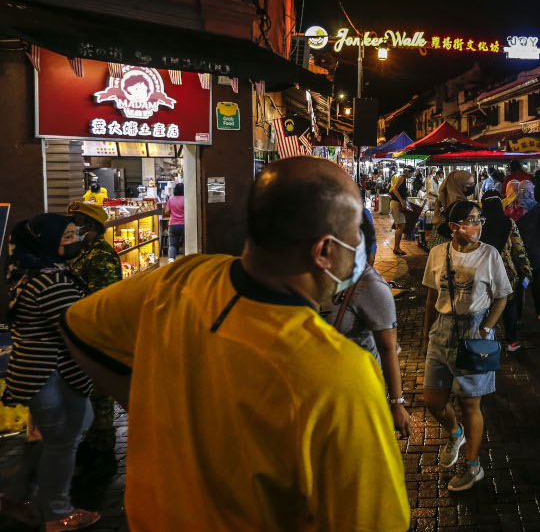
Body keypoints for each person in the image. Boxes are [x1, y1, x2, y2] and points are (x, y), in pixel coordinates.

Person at [62, 157, 409, 530]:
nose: (360, 246)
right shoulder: (341, 375)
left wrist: (151, 410)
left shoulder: (178, 280)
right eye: (356, 234)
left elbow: (77, 326)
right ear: (324, 251)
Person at [2, 214, 100, 530]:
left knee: (48, 440)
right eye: (68, 237)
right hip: (55, 374)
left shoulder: (31, 273)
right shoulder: (50, 282)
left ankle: (21, 496)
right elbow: (79, 326)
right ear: (48, 243)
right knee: (64, 443)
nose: (77, 241)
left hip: (39, 373)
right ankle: (57, 513)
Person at [422, 200, 512, 491]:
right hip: (442, 329)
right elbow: (430, 297)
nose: (478, 225)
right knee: (433, 400)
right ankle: (454, 432)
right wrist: (427, 333)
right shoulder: (437, 253)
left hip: (474, 331)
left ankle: (473, 466)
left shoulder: (490, 255)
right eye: (471, 220)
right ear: (454, 227)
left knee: (469, 403)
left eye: (479, 219)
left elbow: (501, 296)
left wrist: (485, 329)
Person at [321, 227, 411, 437]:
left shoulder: (370, 285)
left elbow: (388, 348)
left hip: (359, 391)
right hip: (321, 388)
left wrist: (397, 403)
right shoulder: (316, 277)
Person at [66, 202, 123, 484]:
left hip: (98, 337)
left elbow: (104, 300)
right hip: (84, 335)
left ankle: (103, 454)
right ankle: (93, 448)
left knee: (100, 398)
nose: (74, 226)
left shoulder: (100, 256)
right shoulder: (82, 254)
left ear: (92, 227)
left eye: (78, 222)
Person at [480, 193, 532, 352]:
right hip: (507, 273)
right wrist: (527, 271)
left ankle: (483, 338)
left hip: (483, 273)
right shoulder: (509, 222)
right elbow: (519, 248)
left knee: (483, 308)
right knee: (509, 307)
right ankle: (511, 342)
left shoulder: (479, 224)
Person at [508, 181, 540, 321]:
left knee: (520, 285)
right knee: (538, 282)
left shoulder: (512, 208)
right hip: (536, 254)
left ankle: (518, 315)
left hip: (518, 254)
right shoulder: (538, 208)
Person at [429, 170, 476, 249]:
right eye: (469, 184)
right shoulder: (459, 204)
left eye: (473, 184)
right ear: (458, 185)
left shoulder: (443, 199)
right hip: (451, 248)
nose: (472, 186)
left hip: (439, 247)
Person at [389, 166, 418, 256]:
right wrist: (401, 200)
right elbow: (394, 189)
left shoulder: (402, 178)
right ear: (408, 172)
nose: (411, 175)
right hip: (396, 204)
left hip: (396, 203)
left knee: (400, 226)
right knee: (401, 226)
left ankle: (397, 247)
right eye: (411, 173)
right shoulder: (401, 178)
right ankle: (396, 247)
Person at [162, 182, 185, 263]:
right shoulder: (186, 199)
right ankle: (186, 260)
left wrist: (174, 213)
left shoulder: (171, 199)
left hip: (173, 224)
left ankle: (171, 260)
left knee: (172, 244)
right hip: (185, 224)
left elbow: (167, 211)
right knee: (186, 243)